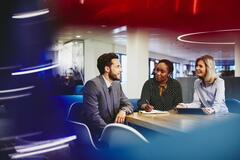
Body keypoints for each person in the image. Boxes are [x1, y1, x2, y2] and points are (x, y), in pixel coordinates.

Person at [82, 53, 133, 141]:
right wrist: (112, 133)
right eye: (118, 66)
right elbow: (93, 117)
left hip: (116, 131)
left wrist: (123, 111)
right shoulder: (92, 85)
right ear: (107, 69)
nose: (121, 70)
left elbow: (129, 105)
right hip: (98, 134)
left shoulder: (117, 84)